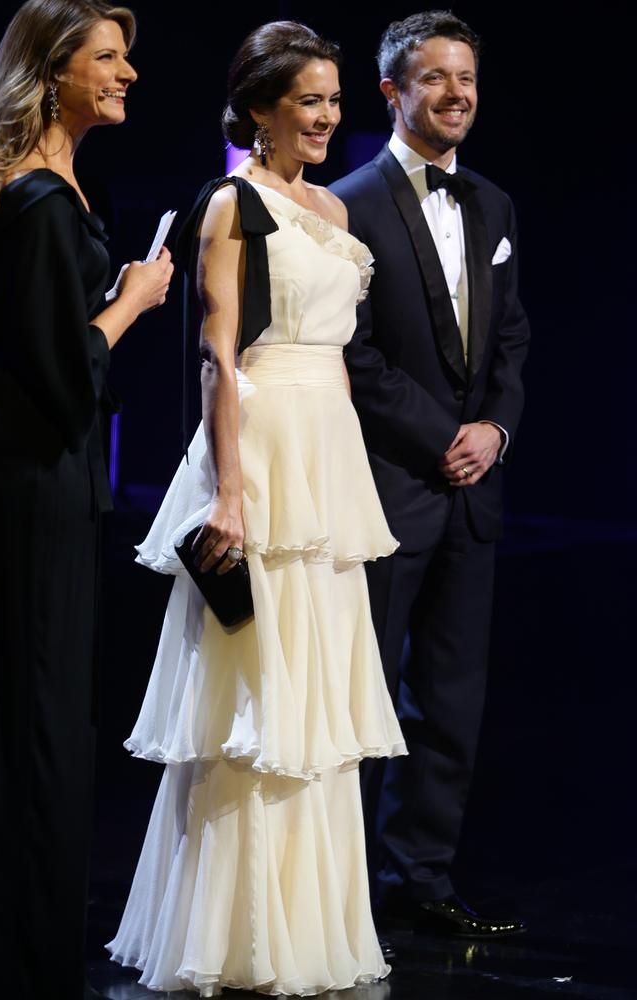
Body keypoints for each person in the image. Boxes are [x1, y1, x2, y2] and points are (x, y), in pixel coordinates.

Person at [106, 20, 405, 995]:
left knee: (313, 703)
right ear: (261, 106)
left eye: (331, 99)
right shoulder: (231, 203)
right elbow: (215, 352)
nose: (324, 116)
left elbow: (338, 355)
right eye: (307, 99)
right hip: (257, 456)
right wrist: (229, 492)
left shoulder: (333, 209)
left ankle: (307, 932)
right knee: (252, 702)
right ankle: (229, 935)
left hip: (326, 460)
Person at [0, 3, 173, 998]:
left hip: (33, 486)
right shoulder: (40, 205)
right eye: (106, 57)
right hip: (35, 490)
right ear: (52, 74)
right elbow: (65, 375)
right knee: (43, 717)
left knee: (37, 712)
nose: (128, 74)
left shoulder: (42, 194)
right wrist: (135, 299)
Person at [331, 10, 530, 937]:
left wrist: (492, 426)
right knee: (361, 695)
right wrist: (441, 432)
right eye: (437, 78)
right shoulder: (350, 203)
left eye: (469, 80)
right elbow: (353, 352)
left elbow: (513, 337)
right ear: (393, 92)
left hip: (473, 490)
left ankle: (423, 879)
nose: (458, 95)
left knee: (451, 695)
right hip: (386, 485)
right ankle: (336, 890)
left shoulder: (493, 205)